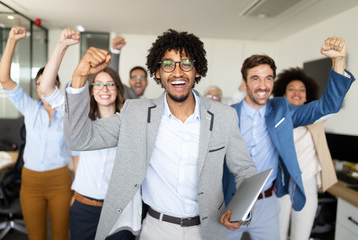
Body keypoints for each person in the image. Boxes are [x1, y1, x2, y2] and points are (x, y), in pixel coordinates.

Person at [63, 29, 257, 240]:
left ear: (197, 70)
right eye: (167, 65)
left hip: (208, 230)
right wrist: (79, 77)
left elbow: (245, 169)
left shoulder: (223, 116)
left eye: (186, 64)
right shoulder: (135, 114)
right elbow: (79, 138)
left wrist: (242, 211)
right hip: (157, 229)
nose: (177, 72)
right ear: (157, 72)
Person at [222, 36, 355, 240]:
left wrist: (338, 61)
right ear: (244, 81)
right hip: (231, 203)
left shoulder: (282, 111)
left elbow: (327, 106)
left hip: (268, 204)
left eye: (268, 78)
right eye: (255, 78)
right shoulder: (227, 115)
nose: (263, 85)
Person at [40, 29, 134, 240]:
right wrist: (61, 45)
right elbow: (46, 89)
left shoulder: (130, 123)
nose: (104, 89)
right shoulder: (81, 121)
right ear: (90, 90)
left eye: (110, 84)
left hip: (119, 210)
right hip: (84, 206)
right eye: (98, 84)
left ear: (118, 90)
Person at [0, 26, 78, 240]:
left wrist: (78, 188)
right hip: (30, 180)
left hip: (60, 179)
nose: (43, 89)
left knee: (61, 235)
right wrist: (12, 41)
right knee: (36, 236)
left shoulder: (67, 112)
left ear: (57, 85)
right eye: (39, 85)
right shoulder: (30, 108)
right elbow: (4, 79)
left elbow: (78, 151)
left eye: (48, 83)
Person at [272, 67, 338, 240]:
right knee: (276, 234)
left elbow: (331, 102)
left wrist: (338, 63)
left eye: (302, 90)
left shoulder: (315, 117)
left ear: (307, 95)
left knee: (301, 236)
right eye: (291, 89)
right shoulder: (274, 118)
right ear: (282, 94)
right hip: (281, 183)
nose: (297, 93)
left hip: (307, 183)